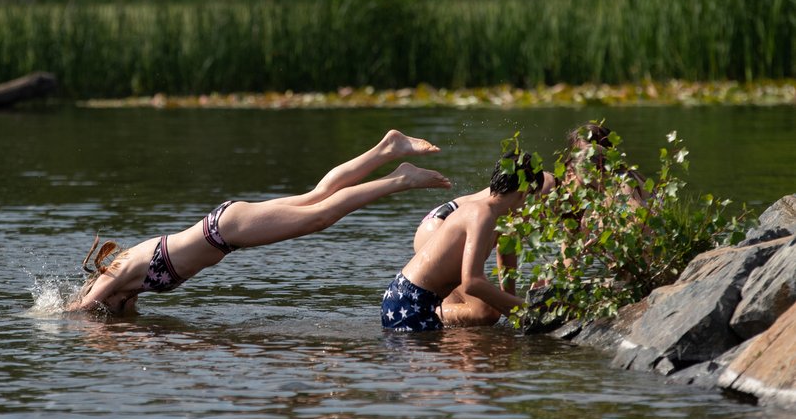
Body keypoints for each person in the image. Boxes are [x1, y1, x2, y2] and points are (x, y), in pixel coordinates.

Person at [68, 130, 452, 315]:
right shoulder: (125, 289)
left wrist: (50, 318)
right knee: (315, 198)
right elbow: (125, 322)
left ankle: (401, 178)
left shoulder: (112, 277)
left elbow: (83, 312)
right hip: (225, 228)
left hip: (224, 231)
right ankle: (388, 148)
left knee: (320, 216)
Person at [382, 151, 551, 332]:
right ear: (525, 193)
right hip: (409, 301)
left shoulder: (496, 217)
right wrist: (526, 309)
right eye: (536, 198)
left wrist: (515, 308)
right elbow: (472, 282)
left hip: (417, 300)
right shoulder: (481, 214)